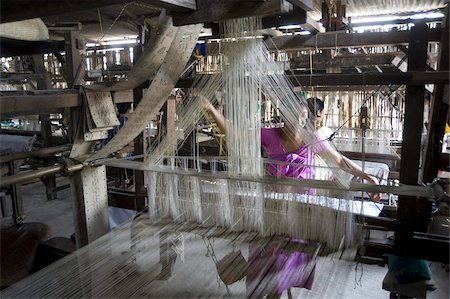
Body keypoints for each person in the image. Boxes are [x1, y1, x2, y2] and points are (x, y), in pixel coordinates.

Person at [202, 96, 380, 199]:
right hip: (275, 199)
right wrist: (211, 109)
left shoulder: (312, 139)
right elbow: (234, 133)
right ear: (282, 116)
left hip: (305, 202)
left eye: (302, 116)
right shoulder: (269, 135)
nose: (298, 120)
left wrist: (367, 177)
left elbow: (340, 161)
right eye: (292, 115)